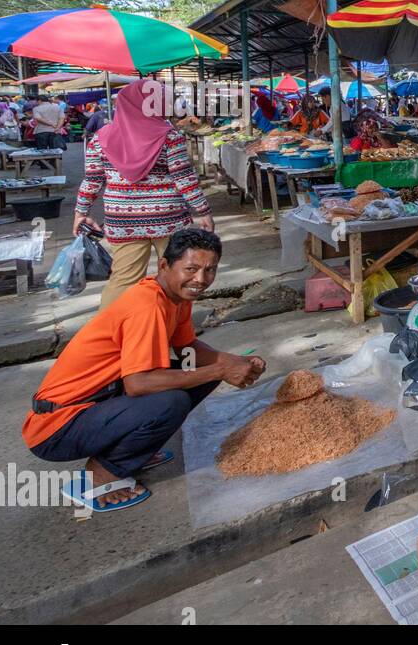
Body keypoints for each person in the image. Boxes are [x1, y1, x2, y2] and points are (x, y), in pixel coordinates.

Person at [23, 228, 265, 512]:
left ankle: (128, 448)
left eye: (209, 270)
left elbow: (188, 349)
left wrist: (235, 362)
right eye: (191, 269)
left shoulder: (177, 297)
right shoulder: (147, 305)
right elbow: (138, 384)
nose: (201, 279)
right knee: (171, 401)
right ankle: (101, 475)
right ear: (164, 265)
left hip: (98, 401)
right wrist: (220, 371)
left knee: (199, 375)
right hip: (56, 427)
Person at [75, 81, 214, 309]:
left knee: (123, 279)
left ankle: (113, 327)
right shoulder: (170, 137)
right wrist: (204, 211)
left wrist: (80, 213)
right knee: (176, 276)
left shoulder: (99, 139)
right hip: (168, 219)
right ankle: (172, 326)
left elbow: (92, 181)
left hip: (123, 221)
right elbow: (184, 179)